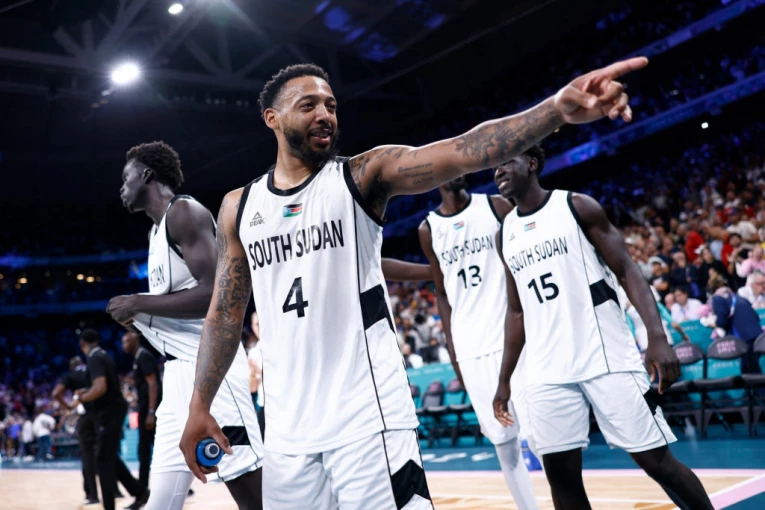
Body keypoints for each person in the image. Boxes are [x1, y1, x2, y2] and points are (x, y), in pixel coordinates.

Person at [179, 56, 646, 508]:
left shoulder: (363, 175)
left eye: (331, 105)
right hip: (286, 430)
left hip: (368, 419)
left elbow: (464, 150)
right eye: (309, 105)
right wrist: (200, 405)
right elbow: (224, 314)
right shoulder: (239, 207)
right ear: (272, 118)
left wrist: (555, 111)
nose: (325, 115)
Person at [492, 146, 713, 510]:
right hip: (547, 367)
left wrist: (657, 337)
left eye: (506, 162)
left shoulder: (576, 206)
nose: (497, 171)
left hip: (604, 355)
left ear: (531, 163)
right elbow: (516, 312)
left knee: (656, 461)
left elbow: (626, 270)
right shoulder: (506, 233)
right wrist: (504, 379)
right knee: (560, 476)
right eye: (494, 166)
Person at [109, 141, 263, 510]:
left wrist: (139, 303)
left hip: (212, 369)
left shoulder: (184, 213)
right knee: (161, 501)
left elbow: (217, 294)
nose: (121, 187)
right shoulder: (155, 234)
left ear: (147, 175)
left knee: (253, 494)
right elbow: (179, 304)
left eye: (126, 178)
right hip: (178, 375)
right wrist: (144, 322)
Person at [418, 176, 538, 508]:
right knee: (504, 443)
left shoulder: (496, 206)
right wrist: (454, 351)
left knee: (540, 434)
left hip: (513, 336)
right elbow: (442, 295)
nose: (457, 170)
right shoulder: (428, 229)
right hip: (471, 347)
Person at [76, 329, 149, 510]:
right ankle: (140, 492)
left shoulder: (94, 358)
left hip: (109, 412)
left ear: (82, 344)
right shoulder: (104, 355)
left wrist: (82, 398)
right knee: (108, 456)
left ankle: (110, 505)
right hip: (115, 409)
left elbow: (100, 387)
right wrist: (88, 391)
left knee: (103, 459)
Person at [53, 356, 99, 506]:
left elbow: (56, 394)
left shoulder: (72, 376)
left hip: (85, 418)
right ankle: (115, 490)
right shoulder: (93, 372)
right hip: (101, 417)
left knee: (87, 457)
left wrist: (68, 407)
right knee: (106, 455)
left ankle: (92, 495)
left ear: (71, 366)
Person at [121, 332, 162, 489]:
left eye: (126, 341)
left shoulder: (143, 356)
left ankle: (142, 488)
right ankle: (143, 487)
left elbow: (153, 384)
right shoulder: (138, 357)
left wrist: (151, 412)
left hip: (149, 409)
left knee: (145, 450)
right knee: (151, 447)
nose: (123, 345)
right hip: (145, 407)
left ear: (135, 339)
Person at [708, 276, 763, 374]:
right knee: (753, 367)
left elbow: (722, 321)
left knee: (749, 370)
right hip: (758, 336)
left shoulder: (717, 298)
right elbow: (756, 317)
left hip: (743, 337)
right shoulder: (738, 297)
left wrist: (713, 324)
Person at [247, 312, 265, 440]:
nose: (261, 328)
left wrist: (260, 371)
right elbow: (252, 388)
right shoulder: (254, 353)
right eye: (257, 324)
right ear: (253, 327)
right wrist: (253, 373)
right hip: (264, 406)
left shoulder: (281, 347)